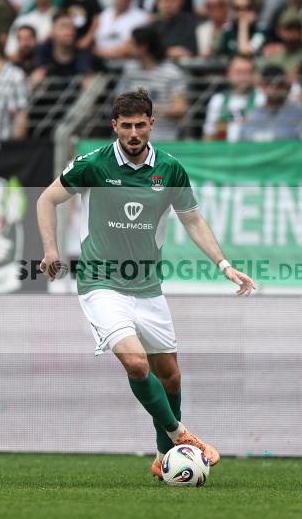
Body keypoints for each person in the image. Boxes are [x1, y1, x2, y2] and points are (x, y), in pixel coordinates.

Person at [36, 88, 256, 479]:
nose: (134, 133)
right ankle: (181, 435)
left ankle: (162, 456)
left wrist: (223, 264)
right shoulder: (93, 164)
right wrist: (51, 251)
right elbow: (46, 200)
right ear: (115, 127)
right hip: (100, 282)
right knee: (136, 363)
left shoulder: (169, 169)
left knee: (170, 374)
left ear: (152, 124)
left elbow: (192, 220)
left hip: (148, 287)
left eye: (141, 125)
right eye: (126, 126)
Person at [115, 26, 187, 142]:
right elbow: (118, 101)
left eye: (132, 43)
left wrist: (151, 108)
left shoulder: (172, 73)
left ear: (143, 47)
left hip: (164, 137)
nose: (127, 47)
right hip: (130, 137)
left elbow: (180, 108)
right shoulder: (129, 70)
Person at [242, 64, 302, 141]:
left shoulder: (300, 114)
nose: (273, 89)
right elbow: (243, 147)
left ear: (286, 85)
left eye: (279, 85)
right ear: (262, 86)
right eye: (268, 84)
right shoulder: (253, 115)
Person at [203, 53, 266, 142]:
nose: (243, 77)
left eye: (247, 72)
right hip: (224, 152)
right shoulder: (218, 100)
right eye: (238, 72)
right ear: (229, 74)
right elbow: (208, 134)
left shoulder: (261, 98)